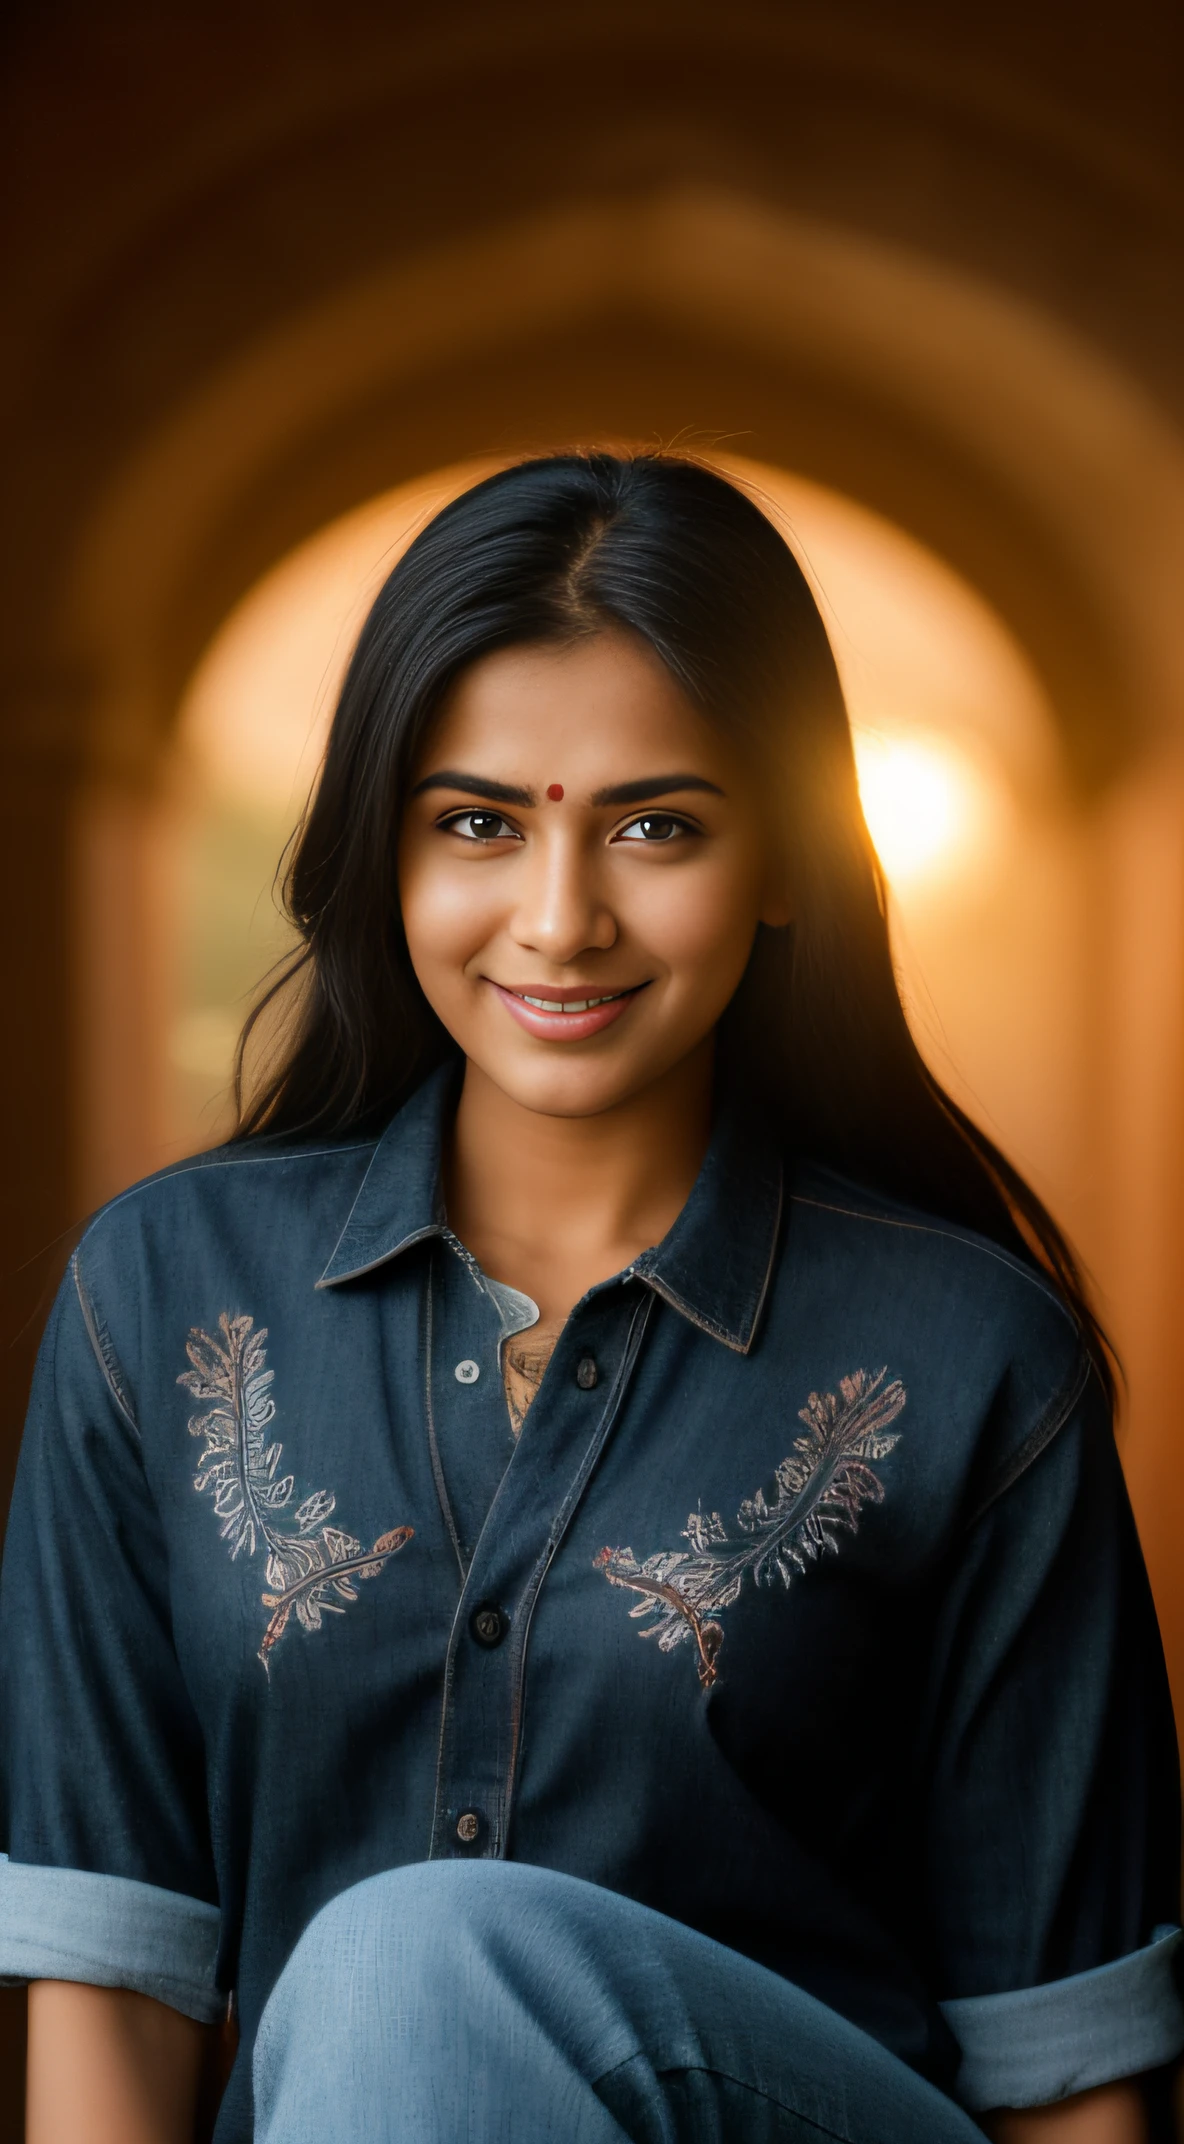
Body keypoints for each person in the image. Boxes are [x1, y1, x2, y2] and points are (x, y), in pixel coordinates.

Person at [1, 453, 1180, 2144]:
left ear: (785, 863)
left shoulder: (972, 1359)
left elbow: (1071, 2073)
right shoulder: (167, 1297)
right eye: (478, 822)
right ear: (383, 858)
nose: (561, 921)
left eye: (657, 826)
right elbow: (111, 1988)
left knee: (416, 1957)